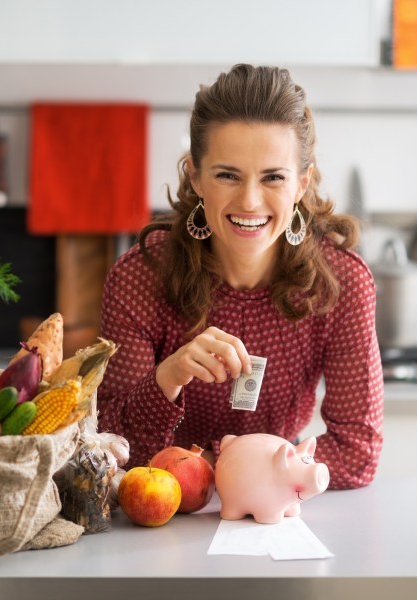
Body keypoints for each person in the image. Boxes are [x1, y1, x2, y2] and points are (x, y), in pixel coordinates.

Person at [97, 64, 383, 489]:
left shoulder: (340, 283)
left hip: (280, 509)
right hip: (163, 508)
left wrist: (233, 471)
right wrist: (168, 377)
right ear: (195, 176)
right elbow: (109, 446)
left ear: (301, 184)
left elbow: (358, 451)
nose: (250, 201)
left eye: (273, 178)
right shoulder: (141, 276)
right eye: (227, 175)